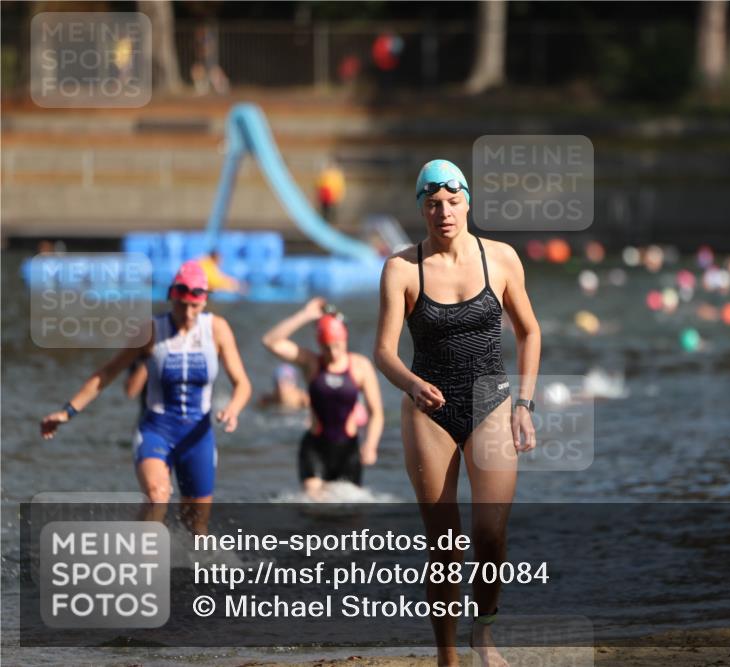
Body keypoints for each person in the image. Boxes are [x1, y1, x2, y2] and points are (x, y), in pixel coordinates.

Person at [373, 159, 541, 667]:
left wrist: (525, 405)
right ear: (422, 209)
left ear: (467, 202)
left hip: (492, 403)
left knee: (490, 535)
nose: (443, 212)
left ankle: (483, 636)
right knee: (444, 545)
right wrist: (411, 383)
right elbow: (382, 351)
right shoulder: (402, 269)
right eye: (432, 204)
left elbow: (529, 332)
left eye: (451, 202)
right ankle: (448, 656)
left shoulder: (503, 259)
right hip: (429, 410)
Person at [40, 261, 252, 534]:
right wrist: (67, 411)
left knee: (197, 529)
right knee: (157, 495)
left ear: (205, 302)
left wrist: (233, 409)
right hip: (157, 428)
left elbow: (242, 383)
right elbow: (108, 372)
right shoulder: (151, 330)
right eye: (181, 305)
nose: (187, 314)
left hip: (198, 435)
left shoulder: (217, 329)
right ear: (171, 298)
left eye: (195, 307)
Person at [262, 298, 384, 499]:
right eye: (327, 347)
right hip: (315, 447)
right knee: (314, 503)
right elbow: (270, 341)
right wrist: (306, 315)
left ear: (345, 339)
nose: (333, 352)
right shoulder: (311, 363)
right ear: (320, 343)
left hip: (348, 450)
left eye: (338, 345)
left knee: (348, 511)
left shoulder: (360, 366)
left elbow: (376, 412)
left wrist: (371, 445)